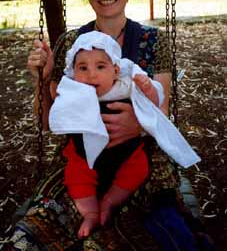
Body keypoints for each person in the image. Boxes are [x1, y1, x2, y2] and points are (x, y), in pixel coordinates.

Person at [3, 0, 215, 250]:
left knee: (162, 229)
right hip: (82, 154)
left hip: (139, 154)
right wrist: (44, 79)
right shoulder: (70, 44)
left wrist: (137, 125)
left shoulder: (153, 42)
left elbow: (162, 110)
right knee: (32, 236)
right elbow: (51, 121)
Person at [49, 30, 200, 239]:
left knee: (138, 168)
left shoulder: (126, 84)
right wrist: (46, 78)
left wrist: (148, 89)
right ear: (73, 72)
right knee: (76, 176)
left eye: (100, 67)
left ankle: (110, 201)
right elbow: (55, 107)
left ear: (116, 70)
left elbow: (156, 105)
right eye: (82, 68)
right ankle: (90, 213)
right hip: (84, 154)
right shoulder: (74, 88)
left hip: (127, 152)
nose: (91, 74)